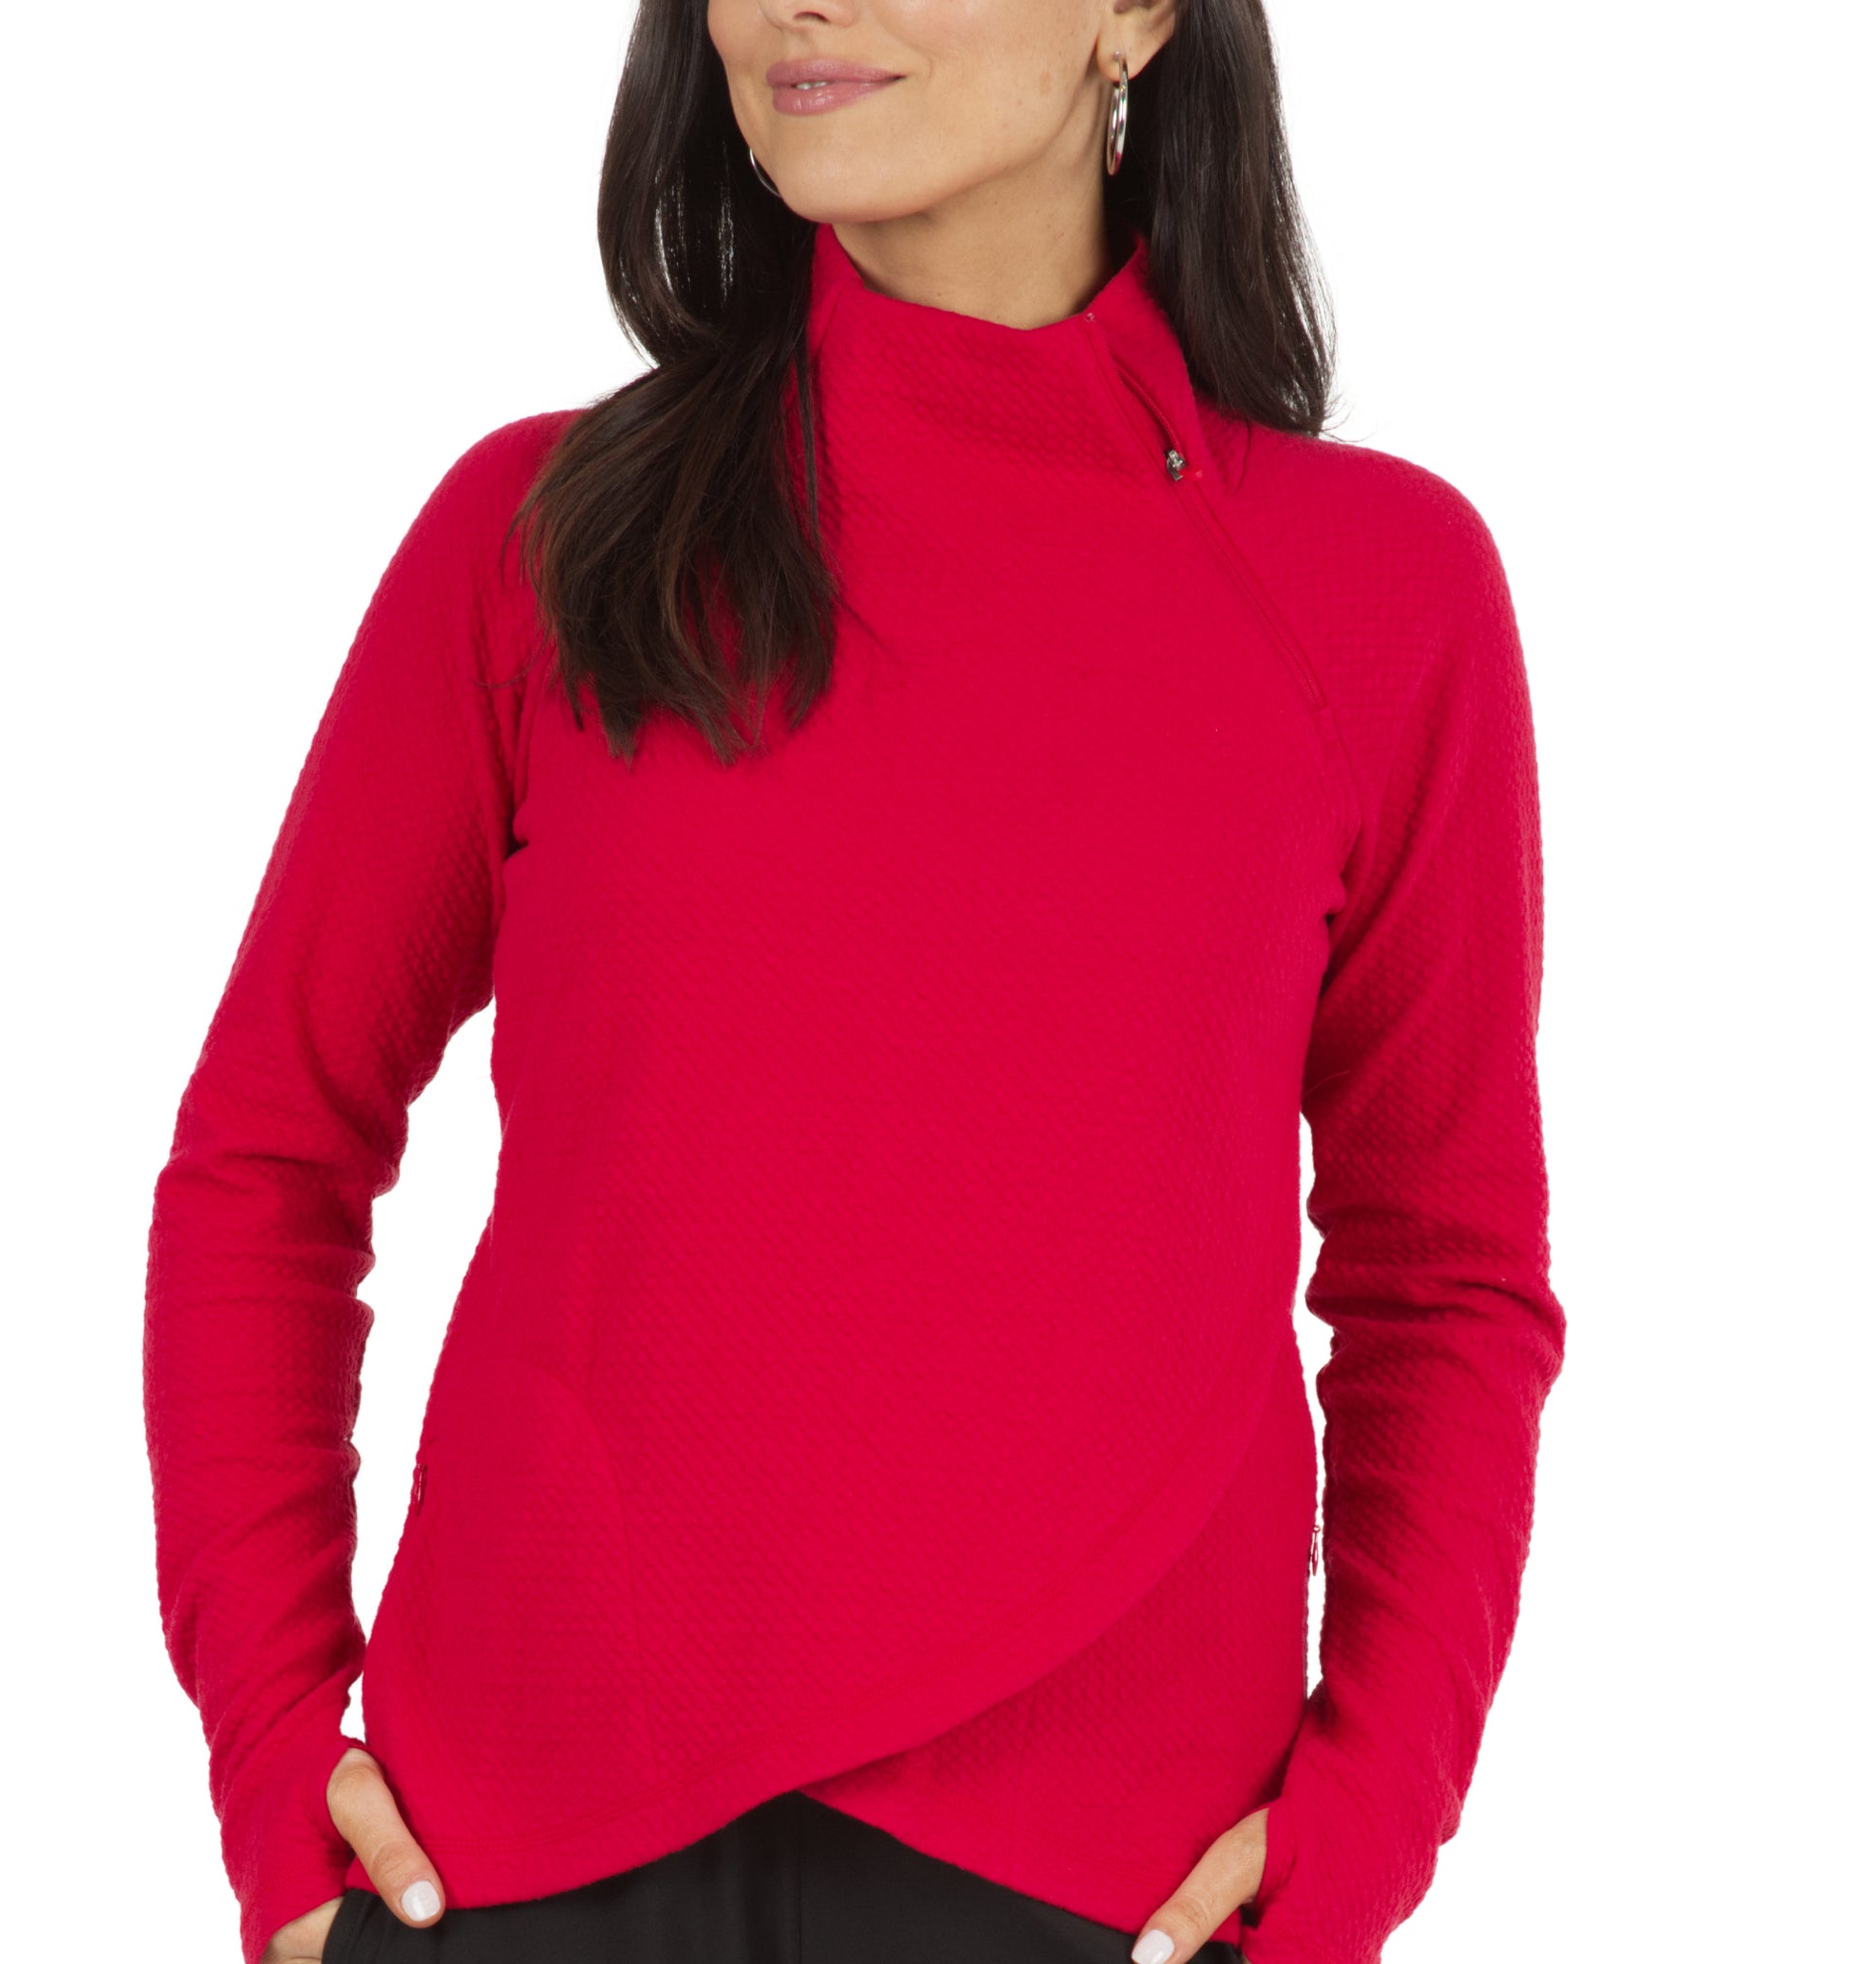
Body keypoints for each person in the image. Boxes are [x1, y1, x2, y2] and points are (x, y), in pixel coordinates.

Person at [142, 2, 1567, 1962]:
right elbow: (267, 1158)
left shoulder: (1372, 593)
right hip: (515, 1866)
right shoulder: (546, 542)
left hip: (1106, 1890)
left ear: (1139, 15)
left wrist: (1365, 1826)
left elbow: (1444, 1277)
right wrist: (278, 1770)